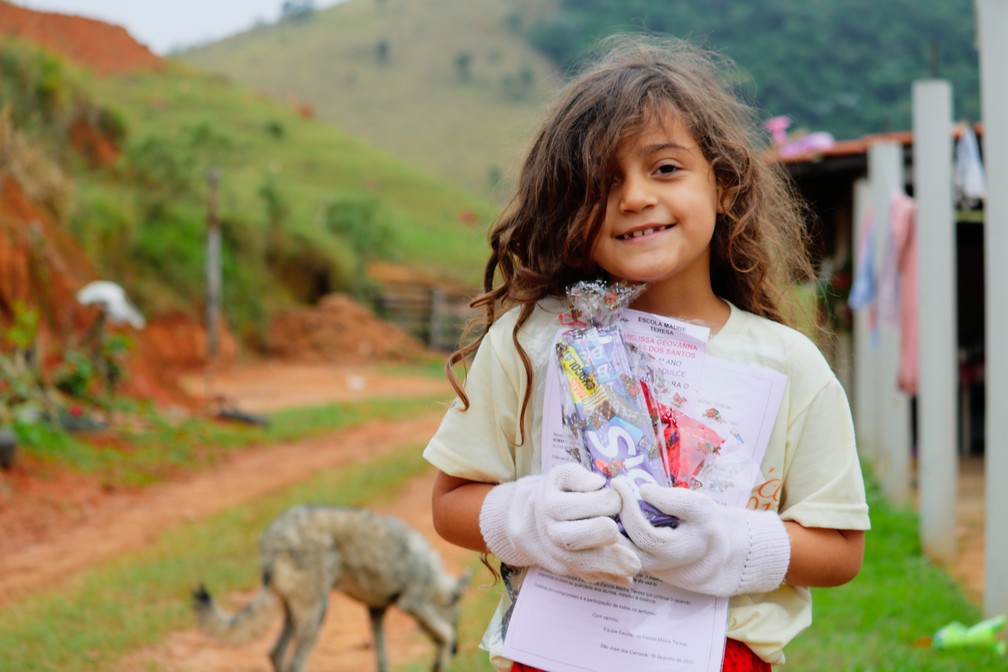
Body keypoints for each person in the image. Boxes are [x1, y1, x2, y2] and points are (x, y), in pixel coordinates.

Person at [423, 36, 869, 672]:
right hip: (551, 656)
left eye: (665, 168)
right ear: (567, 205)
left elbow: (842, 549)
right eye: (602, 181)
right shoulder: (531, 340)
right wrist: (534, 520)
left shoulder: (789, 365)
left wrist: (731, 546)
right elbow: (450, 501)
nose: (634, 197)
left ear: (722, 185)